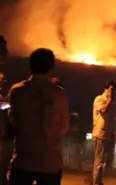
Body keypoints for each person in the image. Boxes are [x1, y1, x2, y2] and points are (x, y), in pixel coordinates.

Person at [8, 48, 70, 185]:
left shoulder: (17, 91)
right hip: (49, 161)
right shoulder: (58, 94)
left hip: (23, 158)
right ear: (52, 67)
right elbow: (64, 127)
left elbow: (12, 119)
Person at [92, 81, 116, 185]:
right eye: (110, 89)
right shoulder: (99, 99)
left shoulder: (111, 102)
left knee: (104, 161)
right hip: (100, 134)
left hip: (107, 134)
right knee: (99, 161)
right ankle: (96, 182)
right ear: (105, 89)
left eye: (113, 90)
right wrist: (110, 99)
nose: (112, 92)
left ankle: (98, 181)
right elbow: (104, 109)